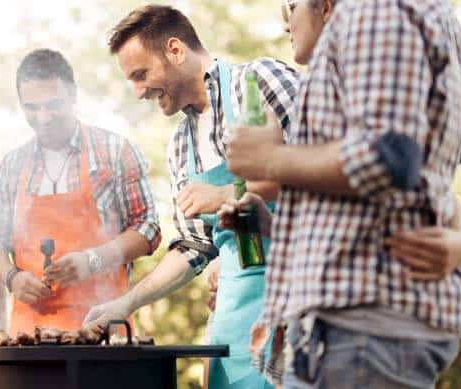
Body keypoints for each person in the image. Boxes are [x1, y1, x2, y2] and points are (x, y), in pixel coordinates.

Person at [226, 1, 461, 387]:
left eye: (290, 7)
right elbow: (408, 187)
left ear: (324, 6)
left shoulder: (375, 12)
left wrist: (270, 158)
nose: (286, 25)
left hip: (361, 330)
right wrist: (270, 221)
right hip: (354, 330)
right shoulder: (387, 28)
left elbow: (390, 157)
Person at [83, 5, 299, 388]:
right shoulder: (180, 146)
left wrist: (225, 194)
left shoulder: (259, 80)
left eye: (141, 74)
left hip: (301, 299)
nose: (137, 91)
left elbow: (330, 169)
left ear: (176, 50)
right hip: (235, 318)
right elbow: (195, 247)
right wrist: (126, 304)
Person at [0, 49, 160, 334]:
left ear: (73, 94)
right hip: (30, 335)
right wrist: (12, 277)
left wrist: (93, 260)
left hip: (104, 327)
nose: (43, 117)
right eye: (31, 107)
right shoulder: (11, 166)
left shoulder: (115, 151)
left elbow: (148, 229)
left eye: (53, 104)